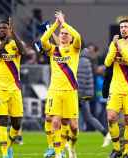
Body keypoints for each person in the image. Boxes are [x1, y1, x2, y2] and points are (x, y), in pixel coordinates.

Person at [40, 11, 81, 158]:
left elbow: (78, 36)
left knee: (74, 126)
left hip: (70, 91)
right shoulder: (53, 50)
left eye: (66, 33)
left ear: (70, 37)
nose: (63, 35)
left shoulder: (75, 49)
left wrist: (64, 23)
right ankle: (58, 153)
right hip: (55, 90)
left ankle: (72, 147)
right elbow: (43, 40)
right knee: (55, 121)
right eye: (61, 33)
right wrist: (55, 25)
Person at [104, 19, 128, 158]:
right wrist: (115, 47)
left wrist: (121, 51)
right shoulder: (115, 44)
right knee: (111, 117)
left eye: (126, 27)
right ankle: (116, 149)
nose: (123, 29)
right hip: (115, 88)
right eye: (121, 27)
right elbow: (107, 62)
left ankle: (126, 151)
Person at [0, 17, 25, 158]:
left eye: (5, 28)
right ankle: (4, 154)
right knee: (2, 120)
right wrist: (6, 40)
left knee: (16, 123)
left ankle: (9, 147)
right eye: (0, 28)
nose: (2, 30)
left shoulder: (15, 44)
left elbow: (24, 52)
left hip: (14, 87)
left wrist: (13, 35)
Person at [77, 47, 111, 147]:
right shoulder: (85, 59)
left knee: (71, 116)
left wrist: (78, 95)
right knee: (88, 117)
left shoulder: (82, 60)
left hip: (80, 94)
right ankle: (105, 134)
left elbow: (81, 79)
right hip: (84, 93)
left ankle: (65, 140)